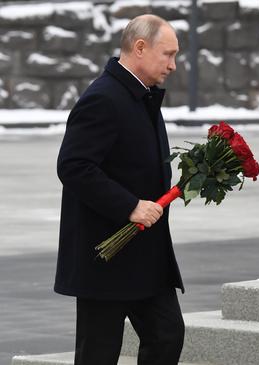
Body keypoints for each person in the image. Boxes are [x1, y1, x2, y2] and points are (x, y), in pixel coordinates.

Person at [55, 14, 184, 365]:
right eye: (167, 54)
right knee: (99, 353)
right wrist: (130, 206)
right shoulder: (103, 97)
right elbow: (73, 166)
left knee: (167, 335)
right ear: (140, 48)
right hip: (106, 255)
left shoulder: (142, 95)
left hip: (145, 255)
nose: (173, 65)